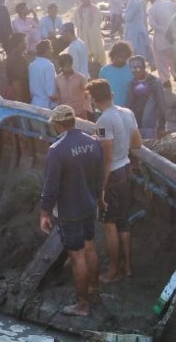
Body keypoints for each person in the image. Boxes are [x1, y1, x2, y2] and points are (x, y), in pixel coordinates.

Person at [39, 105, 103, 316]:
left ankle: (82, 305)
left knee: (77, 257)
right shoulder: (93, 142)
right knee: (90, 249)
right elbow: (99, 176)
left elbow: (50, 188)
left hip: (70, 211)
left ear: (58, 124)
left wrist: (44, 212)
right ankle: (94, 291)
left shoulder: (57, 150)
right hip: (89, 206)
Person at [87, 79, 141, 283]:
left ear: (93, 100)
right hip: (127, 167)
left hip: (114, 174)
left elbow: (107, 155)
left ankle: (112, 271)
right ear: (112, 95)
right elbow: (137, 142)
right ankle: (127, 267)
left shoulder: (103, 121)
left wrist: (101, 187)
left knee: (109, 224)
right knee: (124, 222)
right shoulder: (127, 113)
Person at [126, 56, 167, 139]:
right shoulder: (132, 83)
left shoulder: (154, 82)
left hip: (151, 124)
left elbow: (161, 104)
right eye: (132, 70)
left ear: (144, 67)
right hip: (137, 123)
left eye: (138, 69)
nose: (135, 72)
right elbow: (129, 103)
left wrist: (162, 126)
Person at [147, 0, 176, 88]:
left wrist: (164, 31)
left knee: (161, 61)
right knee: (174, 59)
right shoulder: (172, 4)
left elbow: (153, 25)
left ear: (151, 1)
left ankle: (165, 80)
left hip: (161, 39)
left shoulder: (152, 9)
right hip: (174, 38)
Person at [74, 0, 106, 65]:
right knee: (85, 54)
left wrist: (92, 27)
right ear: (81, 0)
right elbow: (76, 22)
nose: (84, 0)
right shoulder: (78, 10)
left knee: (98, 52)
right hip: (83, 35)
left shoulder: (95, 9)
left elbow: (99, 20)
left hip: (94, 34)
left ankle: (99, 67)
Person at [123, 0, 152, 64]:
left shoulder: (134, 2)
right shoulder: (137, 0)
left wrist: (123, 14)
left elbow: (128, 18)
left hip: (134, 31)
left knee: (135, 53)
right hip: (138, 29)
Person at [98, 41, 134, 107]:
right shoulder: (104, 71)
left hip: (129, 108)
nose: (120, 59)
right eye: (118, 56)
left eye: (123, 56)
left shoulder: (132, 69)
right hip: (111, 109)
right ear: (112, 55)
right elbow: (100, 91)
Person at [55, 54, 89, 119]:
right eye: (64, 66)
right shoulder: (58, 79)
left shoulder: (81, 78)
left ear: (71, 64)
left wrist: (85, 109)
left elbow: (88, 95)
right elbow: (58, 96)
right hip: (65, 114)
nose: (66, 67)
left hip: (80, 113)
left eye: (68, 65)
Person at [29, 40, 57, 109]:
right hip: (46, 105)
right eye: (50, 48)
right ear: (46, 50)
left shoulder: (32, 65)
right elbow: (50, 92)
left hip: (34, 102)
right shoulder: (49, 66)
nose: (52, 51)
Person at [4, 33, 30, 103]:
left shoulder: (13, 55)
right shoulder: (18, 59)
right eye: (25, 42)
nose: (26, 44)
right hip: (19, 94)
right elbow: (16, 80)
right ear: (19, 44)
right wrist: (19, 97)